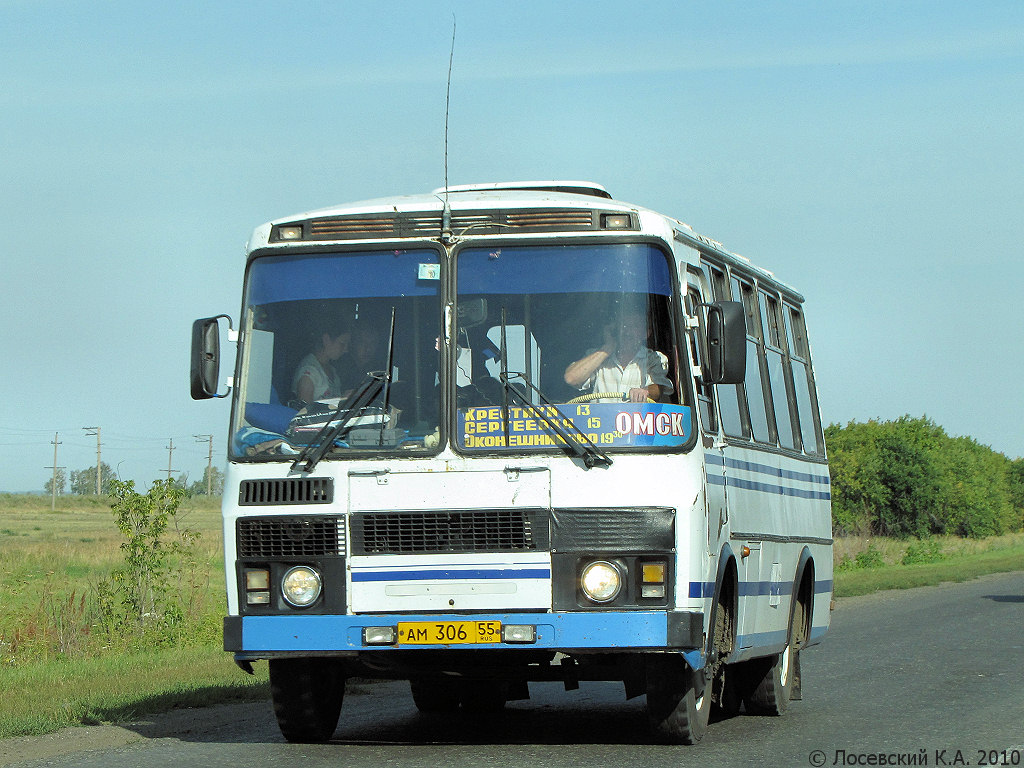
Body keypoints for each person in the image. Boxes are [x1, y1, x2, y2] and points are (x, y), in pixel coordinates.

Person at [563, 309, 673, 403]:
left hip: (636, 425)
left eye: (634, 326)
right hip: (599, 425)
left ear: (646, 333)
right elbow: (571, 378)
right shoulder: (598, 355)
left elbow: (659, 387)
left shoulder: (654, 358)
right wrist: (607, 349)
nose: (627, 332)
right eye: (624, 325)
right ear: (615, 329)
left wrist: (644, 392)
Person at [291, 328, 349, 404]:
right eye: (342, 343)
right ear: (326, 339)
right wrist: (342, 401)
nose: (346, 349)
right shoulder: (309, 372)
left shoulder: (332, 370)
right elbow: (304, 412)